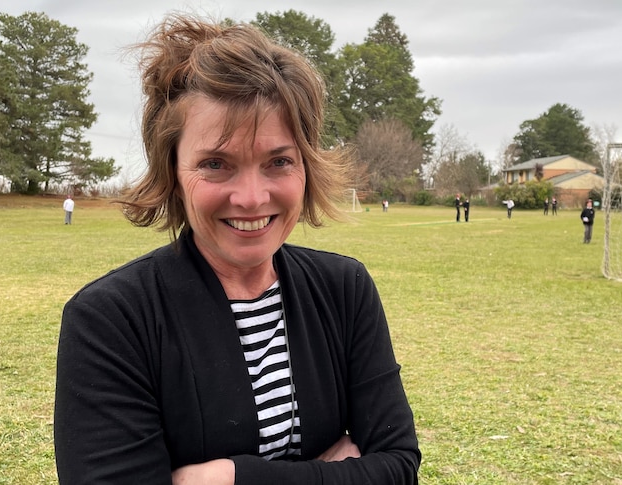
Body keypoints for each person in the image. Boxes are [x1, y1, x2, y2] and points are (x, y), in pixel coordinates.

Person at [54, 15, 420, 485]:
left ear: (306, 166)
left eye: (279, 161)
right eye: (215, 164)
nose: (251, 197)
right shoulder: (113, 319)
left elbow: (398, 467)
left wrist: (227, 478)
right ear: (172, 170)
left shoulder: (344, 290)